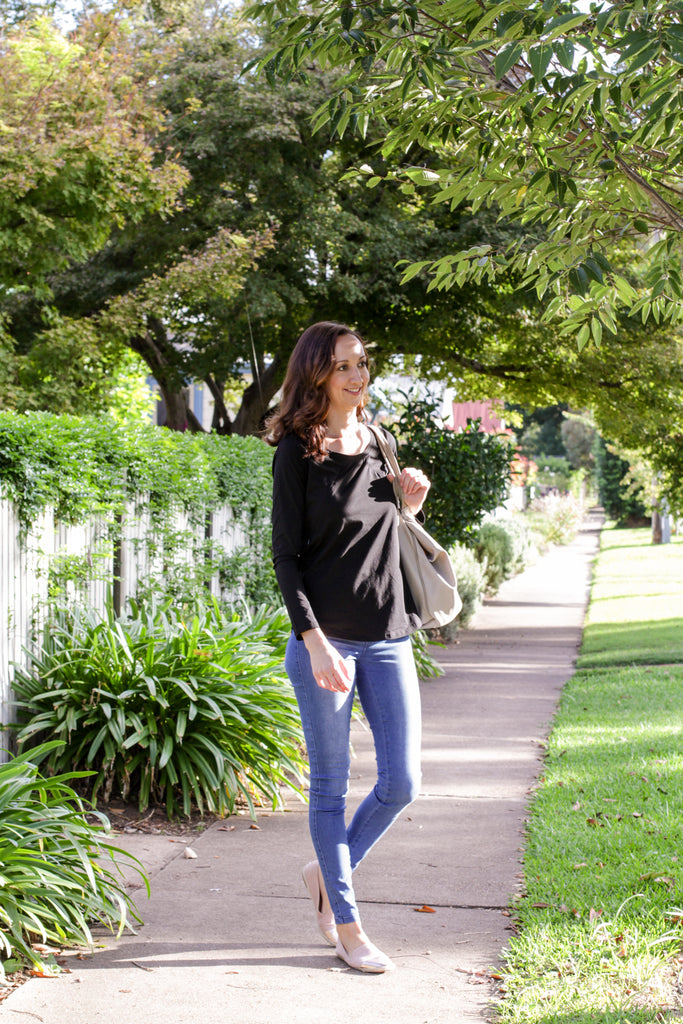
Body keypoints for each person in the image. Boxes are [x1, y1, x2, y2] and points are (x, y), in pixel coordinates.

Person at [266, 321, 431, 974]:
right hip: (326, 641)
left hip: (389, 635)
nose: (357, 376)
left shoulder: (379, 440)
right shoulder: (295, 451)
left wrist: (411, 504)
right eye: (342, 366)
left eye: (361, 363)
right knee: (330, 789)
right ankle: (347, 924)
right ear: (316, 374)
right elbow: (285, 558)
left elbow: (382, 531)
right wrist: (312, 642)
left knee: (401, 782)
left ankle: (326, 872)